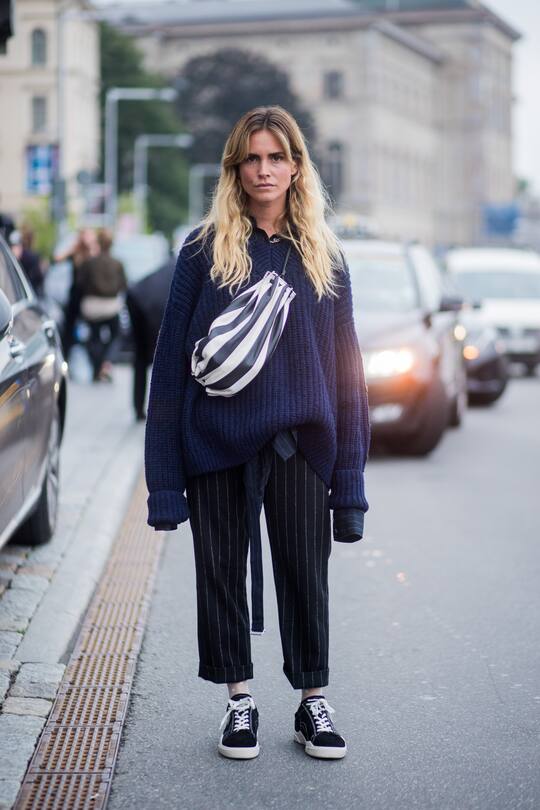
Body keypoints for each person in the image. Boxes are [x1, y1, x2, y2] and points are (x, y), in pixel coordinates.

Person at [144, 106, 370, 761]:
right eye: (253, 158)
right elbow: (167, 370)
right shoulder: (202, 251)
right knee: (218, 574)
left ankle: (311, 703)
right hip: (214, 444)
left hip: (299, 445)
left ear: (297, 166)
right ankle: (238, 703)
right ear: (235, 169)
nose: (265, 169)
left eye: (277, 157)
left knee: (306, 575)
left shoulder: (324, 257)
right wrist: (165, 485)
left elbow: (348, 375)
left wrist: (350, 485)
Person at [125, 256, 175, 421]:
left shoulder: (176, 262)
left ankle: (139, 409)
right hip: (151, 304)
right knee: (165, 358)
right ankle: (160, 411)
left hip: (136, 297)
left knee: (140, 357)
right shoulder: (192, 269)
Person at [77, 228, 127, 383]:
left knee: (93, 338)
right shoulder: (117, 263)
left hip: (91, 306)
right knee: (117, 334)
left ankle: (97, 367)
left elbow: (79, 284)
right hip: (111, 305)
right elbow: (123, 285)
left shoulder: (88, 263)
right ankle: (106, 362)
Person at [55, 228, 98, 360]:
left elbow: (98, 262)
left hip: (89, 295)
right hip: (75, 295)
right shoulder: (76, 252)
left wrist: (92, 246)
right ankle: (65, 357)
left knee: (93, 330)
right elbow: (57, 259)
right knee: (68, 328)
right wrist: (74, 248)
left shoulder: (93, 253)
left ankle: (95, 360)